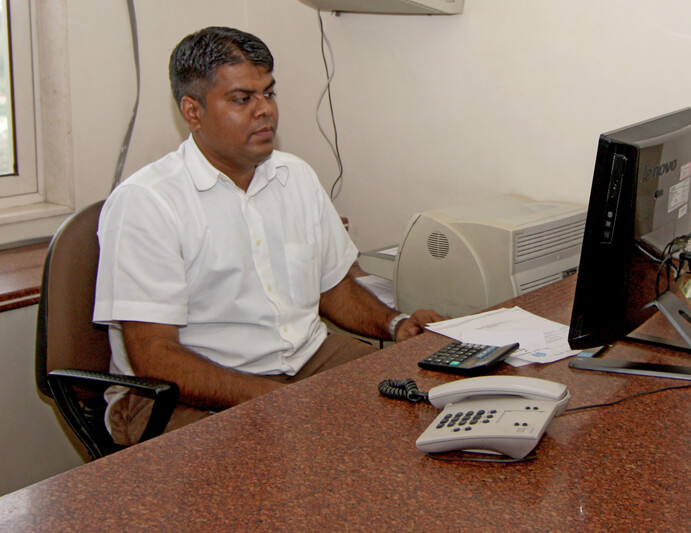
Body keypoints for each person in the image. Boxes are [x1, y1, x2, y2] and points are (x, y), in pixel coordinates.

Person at [93, 26, 446, 445]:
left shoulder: (294, 176)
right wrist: (271, 398)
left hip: (307, 360)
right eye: (243, 99)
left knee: (423, 409)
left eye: (269, 93)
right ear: (193, 112)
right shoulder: (147, 202)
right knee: (279, 474)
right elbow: (155, 357)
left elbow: (333, 289)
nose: (265, 111)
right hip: (188, 390)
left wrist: (396, 324)